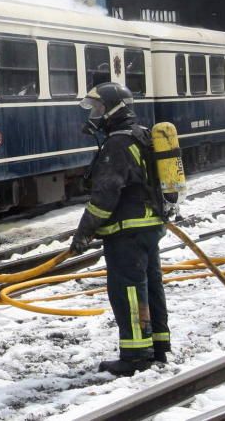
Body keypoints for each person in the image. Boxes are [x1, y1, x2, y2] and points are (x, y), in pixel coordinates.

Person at [69, 82, 171, 376]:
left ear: (115, 110)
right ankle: (159, 346)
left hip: (127, 232)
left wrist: (84, 232)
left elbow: (105, 196)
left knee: (127, 291)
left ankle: (136, 356)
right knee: (151, 287)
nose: (95, 115)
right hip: (150, 226)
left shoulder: (117, 144)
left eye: (99, 108)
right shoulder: (140, 135)